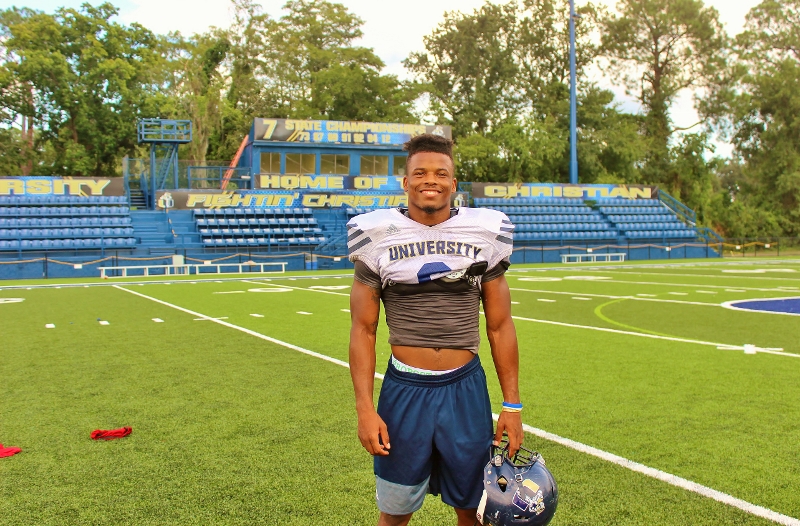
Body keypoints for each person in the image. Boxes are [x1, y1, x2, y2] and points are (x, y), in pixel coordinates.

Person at [348, 133, 523, 526]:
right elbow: (363, 330)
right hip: (404, 388)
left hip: (465, 387)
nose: (431, 180)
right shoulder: (377, 235)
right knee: (395, 512)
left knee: (474, 511)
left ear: (453, 183)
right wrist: (364, 409)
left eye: (441, 173)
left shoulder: (483, 232)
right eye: (421, 173)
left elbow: (500, 325)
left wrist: (512, 406)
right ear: (406, 182)